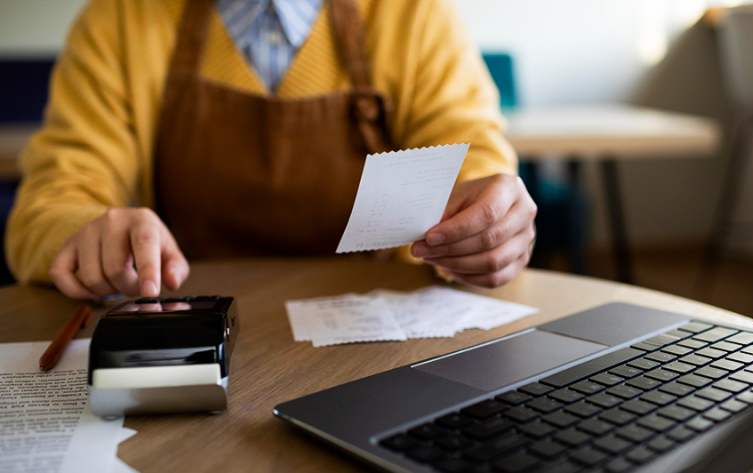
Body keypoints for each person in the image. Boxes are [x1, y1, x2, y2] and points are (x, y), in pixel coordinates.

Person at [6, 0, 537, 300]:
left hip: (385, 326)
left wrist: (485, 220)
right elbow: (54, 199)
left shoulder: (414, 17)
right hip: (189, 328)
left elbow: (470, 159)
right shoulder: (118, 22)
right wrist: (86, 233)